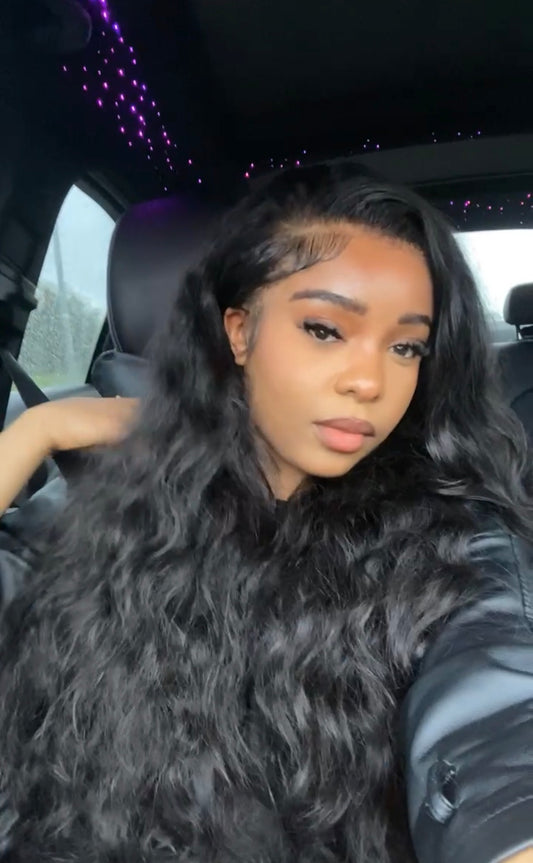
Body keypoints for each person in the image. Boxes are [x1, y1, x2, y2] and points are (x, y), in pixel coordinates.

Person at [0, 161, 531, 863]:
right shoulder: (114, 499)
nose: (369, 380)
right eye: (324, 329)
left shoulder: (457, 542)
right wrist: (36, 433)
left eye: (406, 346)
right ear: (240, 331)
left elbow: (495, 723)